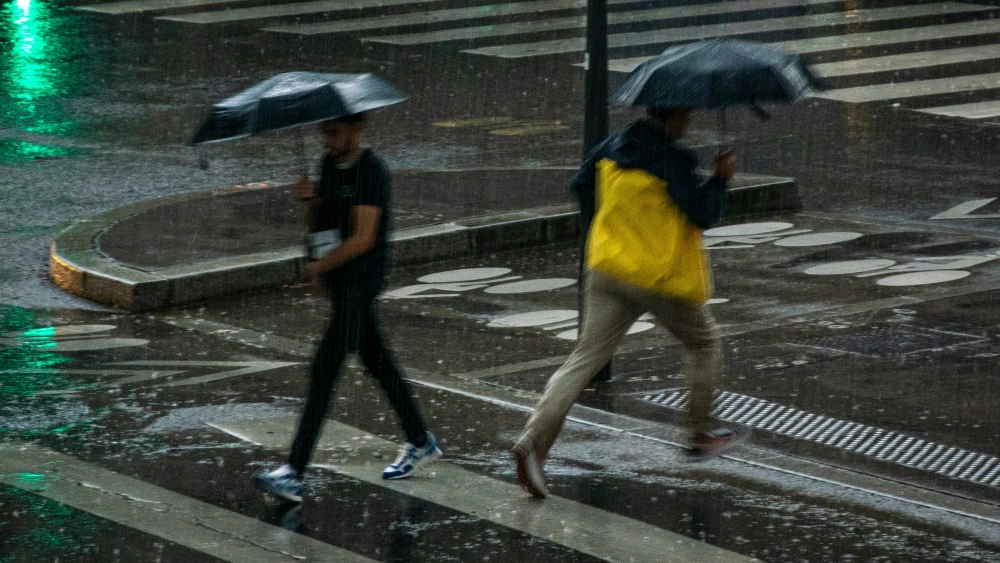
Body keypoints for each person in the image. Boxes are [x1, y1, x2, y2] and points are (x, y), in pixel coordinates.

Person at [511, 106, 744, 499]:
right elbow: (702, 214)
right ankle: (698, 432)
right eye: (687, 114)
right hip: (658, 275)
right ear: (674, 116)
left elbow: (582, 186)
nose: (690, 121)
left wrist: (609, 228)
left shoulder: (610, 146)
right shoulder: (674, 159)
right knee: (704, 343)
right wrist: (720, 180)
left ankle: (533, 442)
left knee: (582, 359)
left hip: (607, 267)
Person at [253, 113, 441, 503]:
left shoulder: (372, 171)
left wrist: (321, 265)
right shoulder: (327, 164)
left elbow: (364, 238)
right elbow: (322, 223)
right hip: (342, 284)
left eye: (334, 131)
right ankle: (420, 440)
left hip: (361, 283)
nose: (326, 138)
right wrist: (310, 202)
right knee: (379, 364)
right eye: (322, 130)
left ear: (357, 128)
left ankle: (294, 471)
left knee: (323, 370)